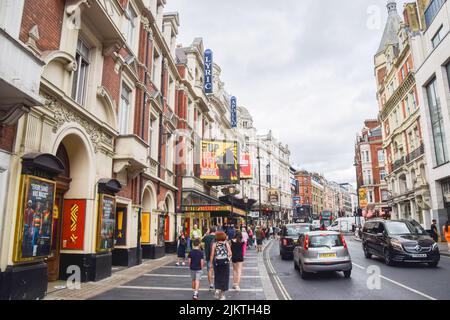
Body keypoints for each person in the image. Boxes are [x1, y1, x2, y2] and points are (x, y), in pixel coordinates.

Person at [210, 231, 232, 300]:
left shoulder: (214, 244)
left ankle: (217, 289)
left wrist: (211, 263)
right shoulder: (226, 243)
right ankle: (222, 295)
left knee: (217, 276)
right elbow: (230, 253)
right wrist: (228, 259)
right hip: (225, 262)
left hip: (217, 262)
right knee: (225, 278)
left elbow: (212, 255)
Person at [202, 227, 216, 291]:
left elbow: (201, 240)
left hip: (208, 256)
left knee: (209, 270)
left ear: (210, 231)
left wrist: (205, 234)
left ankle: (211, 284)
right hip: (216, 257)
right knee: (216, 271)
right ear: (215, 231)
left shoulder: (206, 237)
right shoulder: (217, 237)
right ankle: (217, 284)